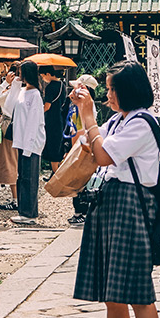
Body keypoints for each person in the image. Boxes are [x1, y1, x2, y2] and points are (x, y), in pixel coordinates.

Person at [71, 60, 160, 318]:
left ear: (126, 91)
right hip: (109, 202)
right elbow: (88, 145)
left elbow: (104, 155)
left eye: (111, 89)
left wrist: (91, 120)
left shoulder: (142, 123)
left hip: (132, 206)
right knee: (112, 294)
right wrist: (86, 117)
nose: (107, 94)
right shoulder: (118, 120)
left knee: (139, 294)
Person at [11, 60, 45, 224]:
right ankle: (24, 211)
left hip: (30, 142)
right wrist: (15, 85)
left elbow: (33, 122)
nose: (18, 75)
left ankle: (29, 213)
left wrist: (29, 147)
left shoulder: (36, 95)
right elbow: (9, 107)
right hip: (21, 140)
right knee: (22, 177)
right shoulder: (23, 91)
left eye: (20, 72)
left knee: (29, 178)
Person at [64, 74, 100, 226]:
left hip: (81, 147)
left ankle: (81, 213)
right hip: (81, 146)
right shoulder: (84, 105)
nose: (73, 91)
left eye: (76, 87)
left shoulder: (83, 107)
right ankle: (80, 212)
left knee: (80, 181)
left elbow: (78, 131)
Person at [0, 62, 21, 211]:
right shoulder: (27, 91)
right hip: (22, 129)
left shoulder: (10, 92)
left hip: (8, 127)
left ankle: (16, 200)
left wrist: (4, 83)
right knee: (19, 163)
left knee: (10, 162)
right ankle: (21, 198)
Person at [42, 67, 67, 172]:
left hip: (51, 120)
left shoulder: (50, 87)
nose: (42, 78)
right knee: (57, 146)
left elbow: (47, 106)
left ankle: (56, 174)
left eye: (43, 75)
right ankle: (56, 173)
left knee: (52, 147)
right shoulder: (62, 85)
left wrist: (37, 113)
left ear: (48, 74)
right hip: (59, 118)